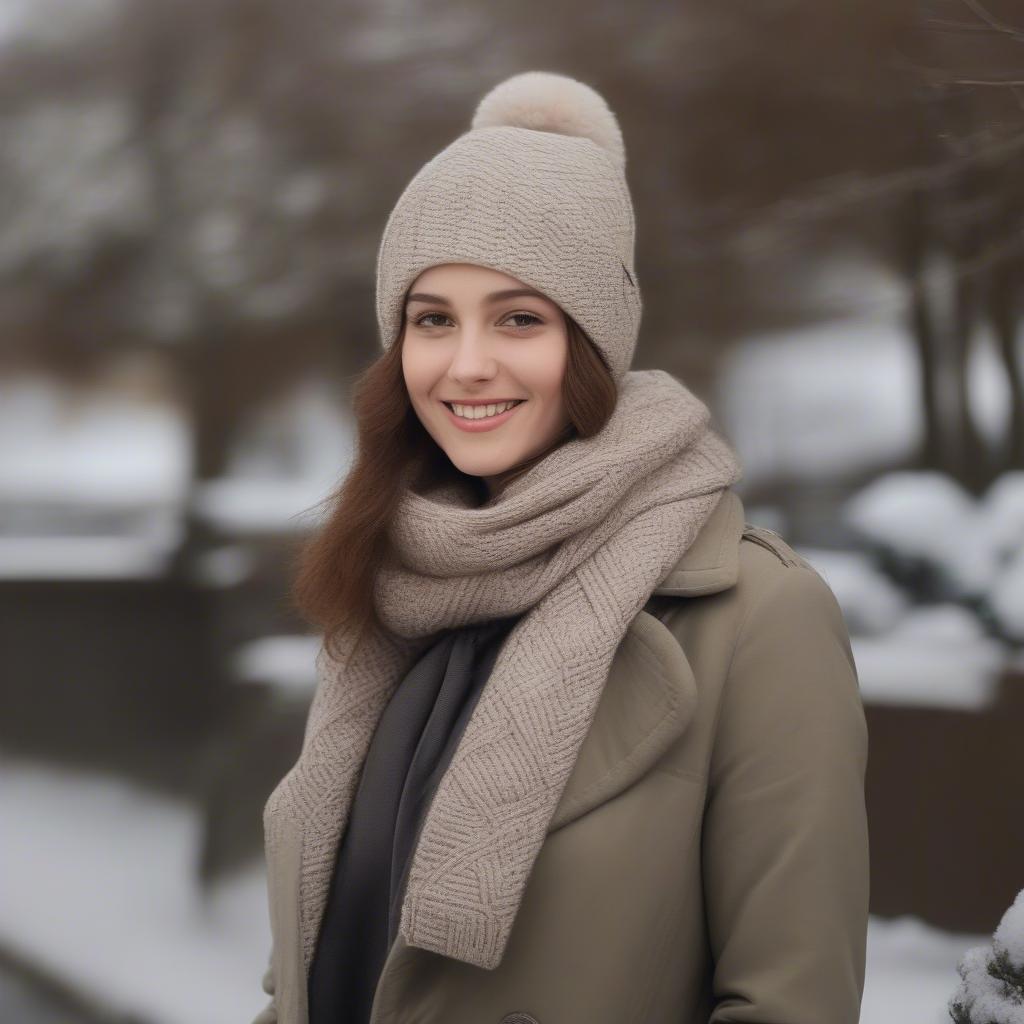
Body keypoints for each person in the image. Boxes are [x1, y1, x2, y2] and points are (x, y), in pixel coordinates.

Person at [252, 71, 869, 1024]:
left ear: (593, 341)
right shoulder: (389, 592)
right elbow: (312, 965)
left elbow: (792, 1004)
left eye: (519, 319)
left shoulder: (759, 621)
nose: (467, 364)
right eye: (432, 320)